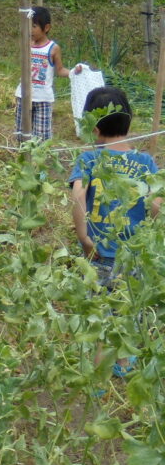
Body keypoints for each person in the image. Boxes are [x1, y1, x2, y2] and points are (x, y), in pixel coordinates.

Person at [69, 87, 160, 375]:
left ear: (93, 129)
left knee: (99, 317)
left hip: (98, 255)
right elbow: (156, 204)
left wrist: (84, 238)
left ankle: (98, 378)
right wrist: (147, 231)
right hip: (133, 256)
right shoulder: (146, 162)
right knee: (127, 311)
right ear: (129, 122)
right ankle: (123, 366)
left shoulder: (87, 160)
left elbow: (78, 196)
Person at [14, 6, 76, 141]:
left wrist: (73, 72)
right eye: (28, 26)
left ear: (46, 27)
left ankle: (38, 154)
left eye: (34, 26)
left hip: (43, 98)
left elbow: (60, 70)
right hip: (23, 96)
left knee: (41, 137)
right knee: (21, 133)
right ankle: (22, 154)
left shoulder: (53, 48)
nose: (30, 30)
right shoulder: (26, 44)